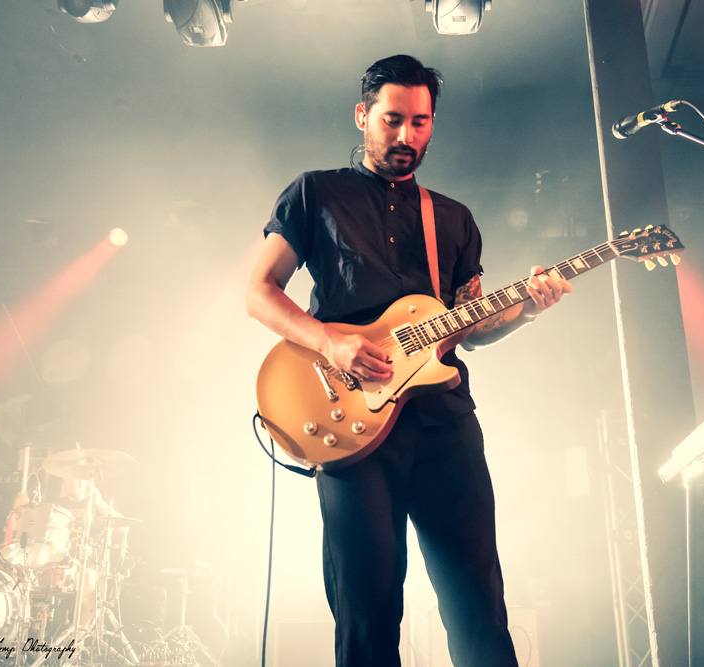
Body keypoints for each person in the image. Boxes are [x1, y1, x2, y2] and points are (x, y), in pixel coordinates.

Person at [245, 54, 572, 667]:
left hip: (444, 423)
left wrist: (525, 307)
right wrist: (328, 341)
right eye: (393, 119)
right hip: (352, 424)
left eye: (420, 122)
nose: (407, 136)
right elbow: (259, 292)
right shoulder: (315, 193)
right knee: (368, 612)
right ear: (363, 115)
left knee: (478, 603)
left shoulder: (452, 218)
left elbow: (471, 327)